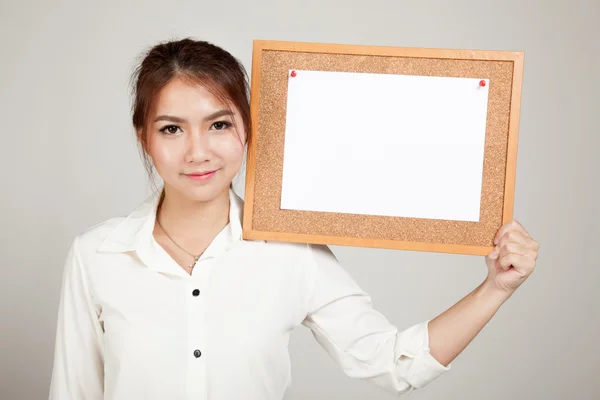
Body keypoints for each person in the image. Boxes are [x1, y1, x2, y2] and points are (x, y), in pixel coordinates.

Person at [48, 38, 540, 400]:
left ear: (246, 129)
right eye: (172, 128)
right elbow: (72, 392)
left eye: (219, 124)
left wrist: (495, 288)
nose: (198, 151)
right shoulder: (98, 255)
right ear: (144, 139)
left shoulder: (291, 253)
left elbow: (393, 364)